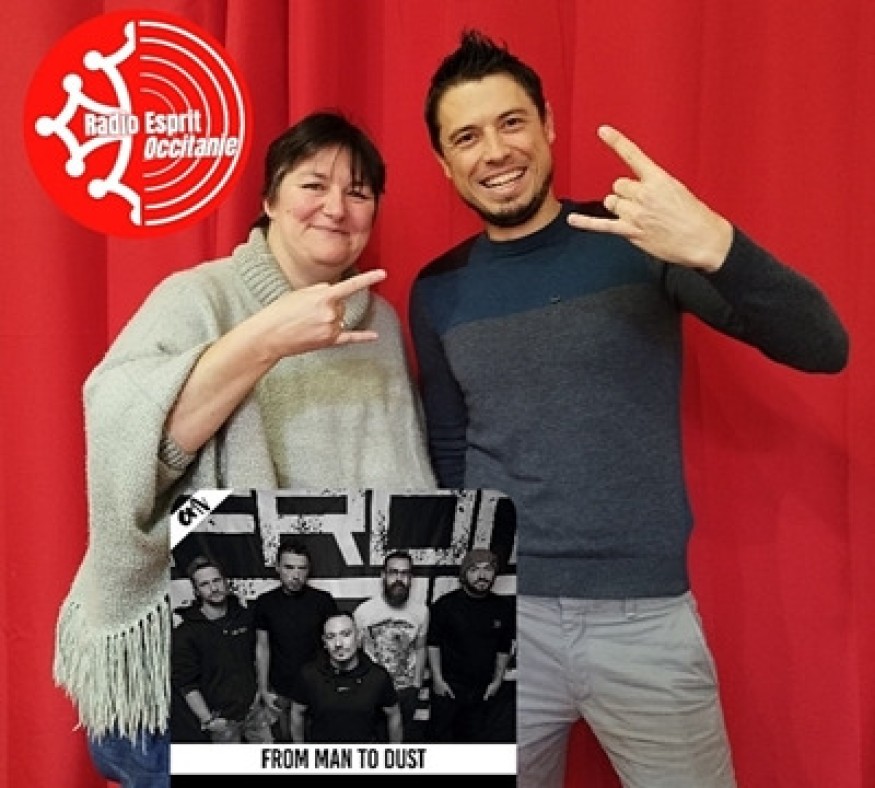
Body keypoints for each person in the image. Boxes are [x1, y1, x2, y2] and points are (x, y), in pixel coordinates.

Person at [409, 30, 849, 788]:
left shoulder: (635, 243)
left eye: (511, 122)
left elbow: (822, 346)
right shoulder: (437, 289)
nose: (495, 152)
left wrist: (718, 246)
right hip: (500, 621)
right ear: (444, 163)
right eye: (467, 137)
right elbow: (450, 446)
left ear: (548, 124)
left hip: (644, 622)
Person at [54, 110, 435, 787]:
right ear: (269, 200)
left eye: (357, 191)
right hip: (181, 673)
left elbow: (403, 475)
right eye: (313, 184)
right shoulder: (196, 296)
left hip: (302, 674)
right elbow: (128, 442)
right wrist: (263, 342)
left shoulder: (379, 323)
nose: (336, 207)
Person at [170, 556, 271, 743]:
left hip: (254, 711)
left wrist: (261, 691)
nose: (213, 588)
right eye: (205, 584)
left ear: (226, 582)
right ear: (196, 591)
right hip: (221, 720)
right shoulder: (186, 632)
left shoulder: (245, 617)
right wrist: (208, 719)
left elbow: (260, 652)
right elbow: (186, 683)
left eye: (216, 581)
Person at [426, 549, 515, 743]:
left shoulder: (503, 607)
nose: (482, 575)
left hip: (482, 692)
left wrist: (497, 681)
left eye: (488, 569)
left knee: (474, 745)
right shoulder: (445, 605)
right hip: (449, 689)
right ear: (464, 574)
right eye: (474, 569)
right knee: (440, 743)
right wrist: (438, 680)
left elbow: (504, 647)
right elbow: (433, 644)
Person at [254, 537, 338, 742]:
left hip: (318, 687)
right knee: (287, 743)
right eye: (289, 567)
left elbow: (335, 644)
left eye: (302, 568)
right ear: (277, 568)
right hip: (282, 689)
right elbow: (262, 647)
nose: (296, 575)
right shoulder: (265, 603)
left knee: (320, 742)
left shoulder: (323, 601)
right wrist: (263, 689)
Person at [290, 611, 403, 743]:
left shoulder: (378, 676)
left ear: (358, 637)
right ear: (324, 642)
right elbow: (297, 712)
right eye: (331, 637)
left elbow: (394, 714)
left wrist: (395, 752)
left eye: (346, 634)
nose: (338, 643)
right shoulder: (309, 675)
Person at [353, 550, 429, 741]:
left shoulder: (421, 611)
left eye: (405, 573)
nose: (399, 579)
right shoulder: (364, 612)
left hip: (406, 691)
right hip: (373, 690)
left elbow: (421, 647)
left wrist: (416, 684)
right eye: (393, 572)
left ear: (411, 578)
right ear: (383, 575)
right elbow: (356, 653)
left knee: (401, 741)